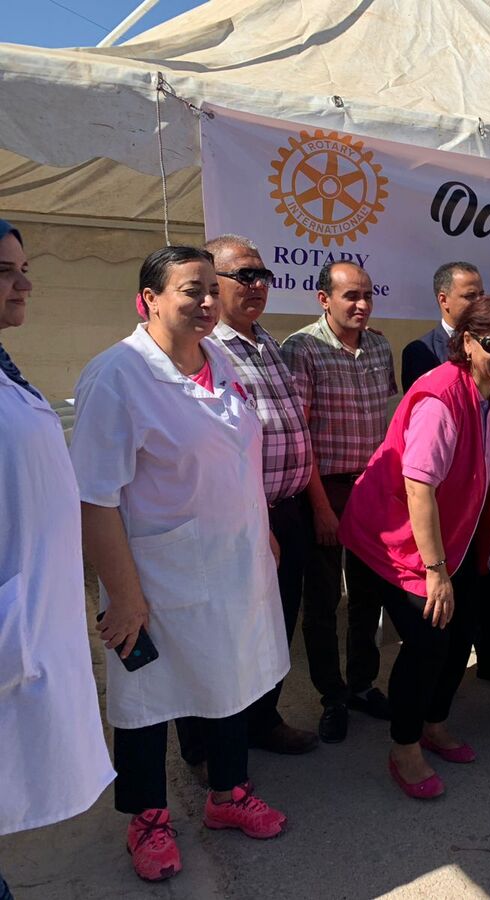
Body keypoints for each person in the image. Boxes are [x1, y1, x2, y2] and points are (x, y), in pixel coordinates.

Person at [72, 247, 289, 882]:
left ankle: (228, 794)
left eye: (212, 290)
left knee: (229, 679)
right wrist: (125, 596)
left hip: (233, 561)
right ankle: (147, 819)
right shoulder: (117, 375)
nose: (208, 302)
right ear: (150, 299)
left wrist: (263, 531)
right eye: (192, 290)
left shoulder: (219, 358)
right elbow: (94, 498)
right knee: (145, 699)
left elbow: (236, 459)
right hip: (155, 574)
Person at [339, 296, 490, 798]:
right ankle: (404, 747)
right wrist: (435, 571)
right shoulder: (440, 398)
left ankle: (434, 722)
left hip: (453, 536)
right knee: (428, 641)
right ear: (467, 342)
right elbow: (419, 487)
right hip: (395, 537)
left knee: (462, 629)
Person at [0, 219, 114, 896]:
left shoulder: (7, 372)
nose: (24, 285)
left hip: (28, 626)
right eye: (4, 272)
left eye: (24, 269)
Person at [202, 234, 317, 754]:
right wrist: (257, 521)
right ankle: (209, 746)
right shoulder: (206, 348)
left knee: (276, 623)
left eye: (262, 276)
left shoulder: (267, 342)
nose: (256, 285)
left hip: (288, 509)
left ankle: (263, 720)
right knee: (230, 632)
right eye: (243, 275)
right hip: (243, 515)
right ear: (212, 284)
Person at [400, 261, 490, 689]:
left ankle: (488, 661)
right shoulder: (430, 369)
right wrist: (436, 569)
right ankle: (420, 717)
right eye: (470, 295)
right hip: (439, 512)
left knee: (489, 587)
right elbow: (422, 479)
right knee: (437, 630)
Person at [281, 261, 397, 743]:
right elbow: (299, 435)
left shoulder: (380, 346)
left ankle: (362, 684)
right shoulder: (302, 349)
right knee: (324, 599)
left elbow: (387, 418)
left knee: (369, 594)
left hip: (372, 490)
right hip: (323, 489)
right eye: (351, 295)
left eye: (367, 295)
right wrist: (322, 508)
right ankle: (332, 694)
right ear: (324, 299)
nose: (362, 304)